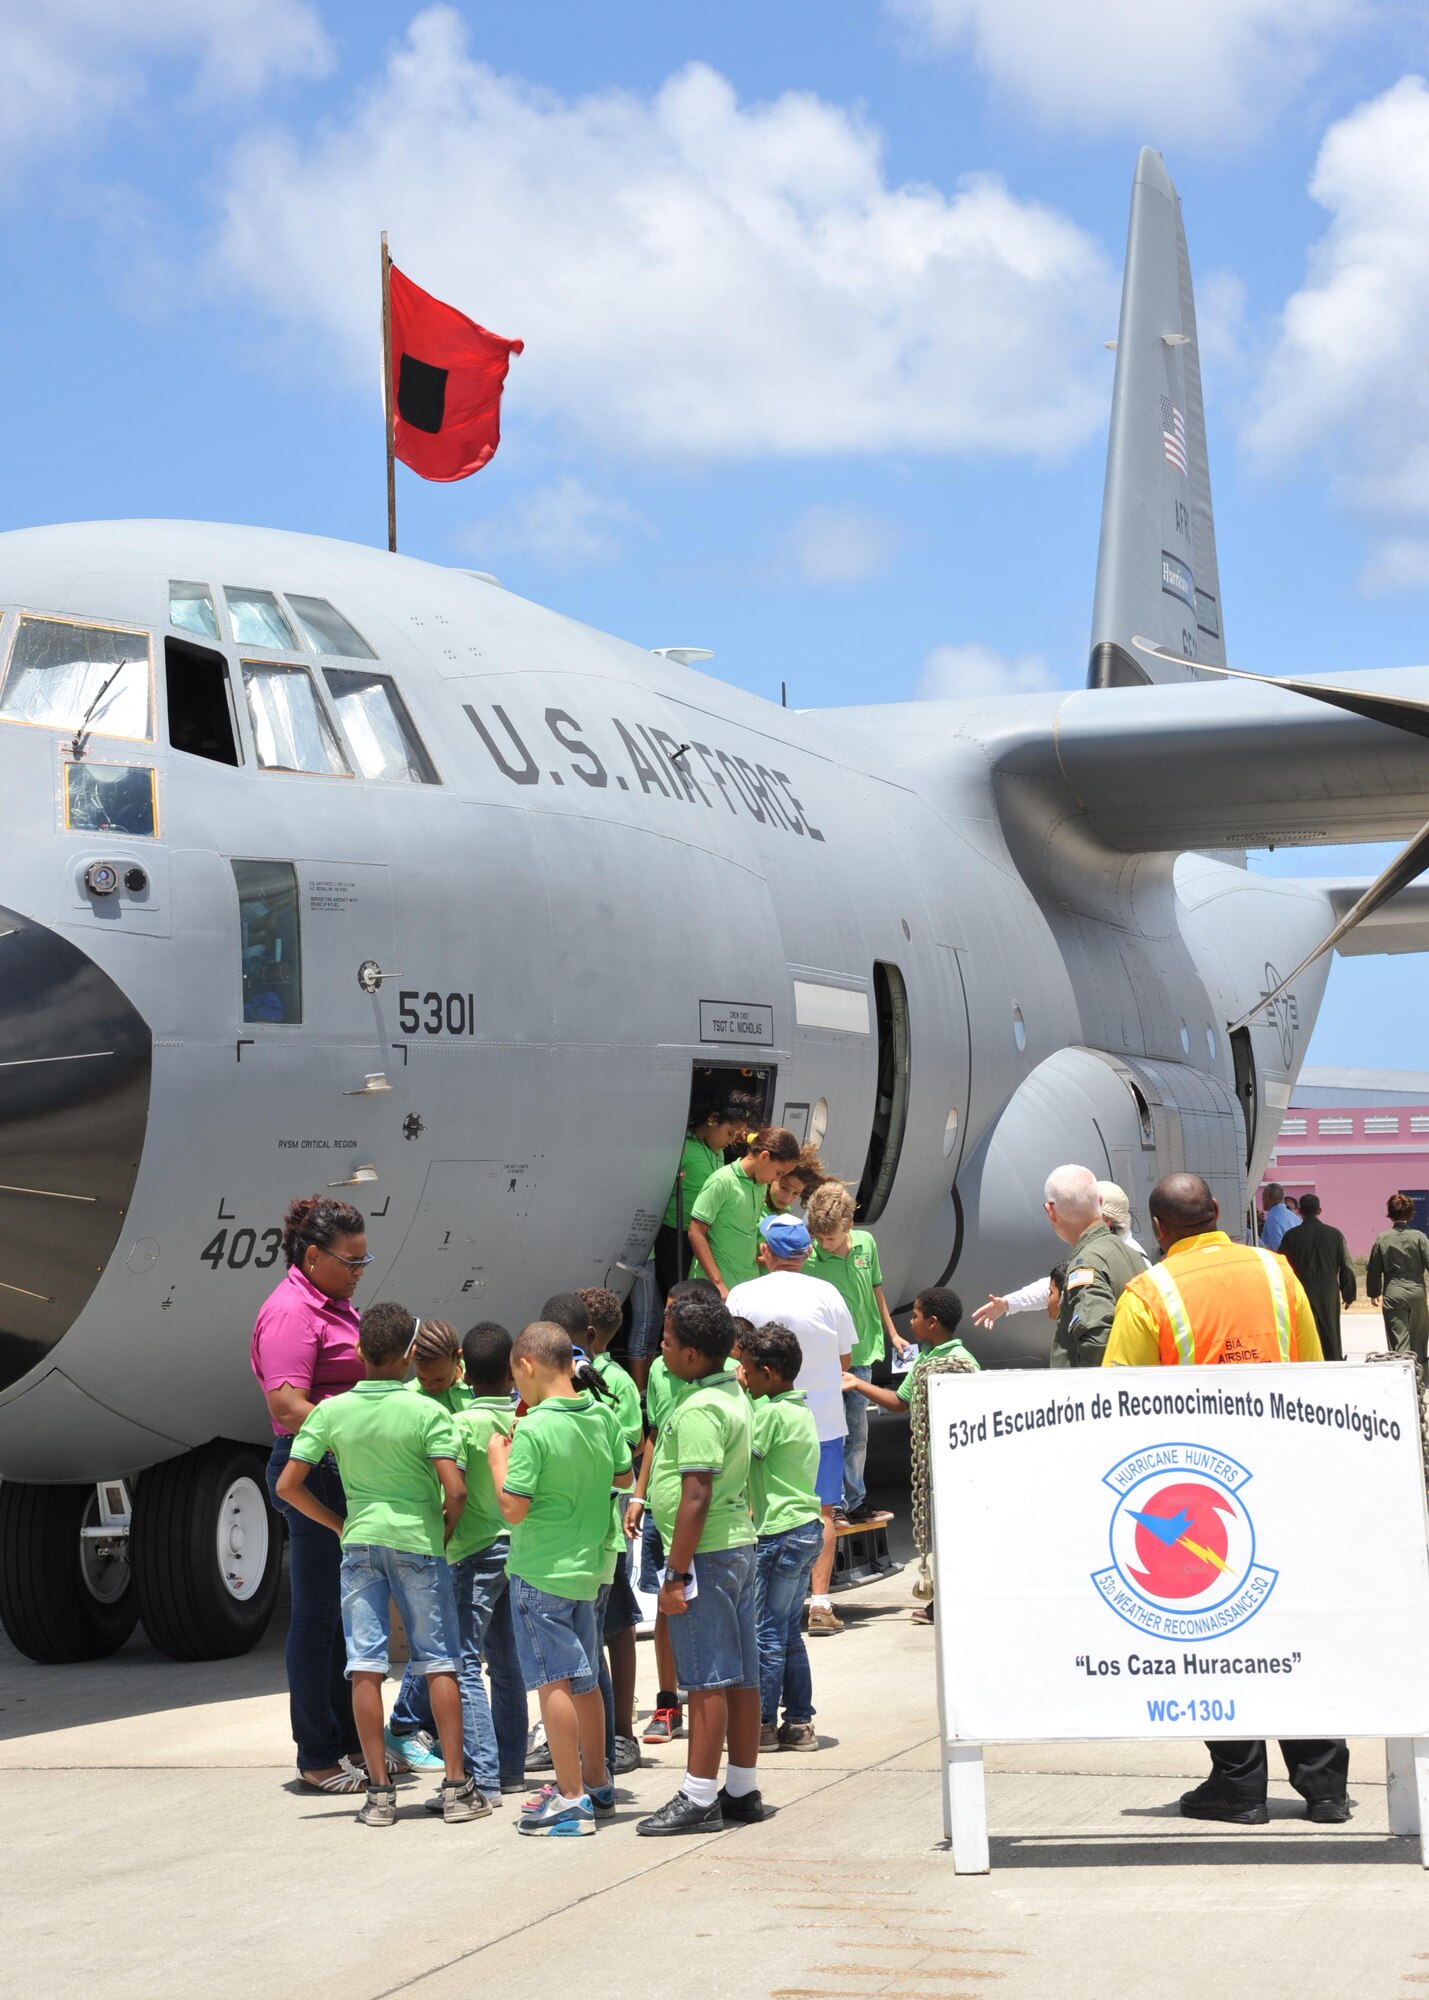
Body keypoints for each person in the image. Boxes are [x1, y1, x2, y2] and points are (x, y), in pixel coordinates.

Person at [1103, 1170, 1348, 1827]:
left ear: (1157, 1228)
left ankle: (1238, 1787)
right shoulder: (1276, 1273)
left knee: (1218, 1631)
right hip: (1281, 1479)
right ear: (1216, 1211)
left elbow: (1116, 1406)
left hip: (1201, 1493)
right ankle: (1324, 1786)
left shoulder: (1146, 1291)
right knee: (1293, 1625)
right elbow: (1313, 1376)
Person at [276, 1300, 484, 1827]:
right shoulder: (427, 1411)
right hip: (418, 1542)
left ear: (360, 1352)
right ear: (411, 1354)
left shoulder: (332, 1411)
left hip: (361, 1544)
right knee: (439, 1660)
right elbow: (455, 1488)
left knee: (364, 1665)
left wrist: (338, 1524)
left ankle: (379, 1795)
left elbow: (286, 1486)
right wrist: (444, 1528)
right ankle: (458, 1790)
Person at [488, 1321, 633, 1837]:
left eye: (515, 1376)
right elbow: (624, 1477)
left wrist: (497, 1458)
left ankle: (570, 1797)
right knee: (587, 1681)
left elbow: (512, 1509)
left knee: (552, 1682)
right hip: (593, 1570)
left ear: (526, 1366)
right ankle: (597, 1784)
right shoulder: (602, 1416)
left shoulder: (531, 1431)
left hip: (542, 1571)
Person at [249, 1194, 370, 1795]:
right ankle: (317, 1756)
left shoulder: (332, 1301)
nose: (358, 1272)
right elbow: (287, 1405)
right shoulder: (292, 1312)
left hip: (338, 1466)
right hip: (313, 1469)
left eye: (363, 1262)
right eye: (351, 1262)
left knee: (348, 1620)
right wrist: (364, 1431)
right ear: (315, 1255)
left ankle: (353, 1743)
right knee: (318, 1616)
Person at [637, 1288, 763, 1835]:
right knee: (740, 1676)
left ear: (689, 1355)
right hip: (735, 1547)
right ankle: (741, 1787)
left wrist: (676, 1572)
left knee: (707, 1679)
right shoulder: (734, 1395)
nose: (660, 1350)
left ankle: (698, 1796)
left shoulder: (697, 1410)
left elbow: (695, 1495)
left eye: (665, 1343)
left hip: (705, 1555)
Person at [390, 1321, 529, 1799]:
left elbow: (456, 1490)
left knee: (462, 1662)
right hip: (513, 1546)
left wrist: (443, 1537)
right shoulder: (517, 1414)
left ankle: (483, 1777)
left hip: (470, 1551)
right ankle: (510, 1770)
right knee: (507, 1664)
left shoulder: (461, 1422)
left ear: (462, 1367)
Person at [727, 1215, 854, 1637]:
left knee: (755, 1508)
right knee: (822, 1510)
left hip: (762, 1421)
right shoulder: (828, 1292)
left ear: (765, 1251)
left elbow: (731, 1356)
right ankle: (819, 1602)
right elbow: (845, 1363)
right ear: (805, 1252)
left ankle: (758, 1600)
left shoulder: (743, 1295)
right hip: (821, 1422)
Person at [626, 1278, 725, 1744]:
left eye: (670, 1322)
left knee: (706, 1611)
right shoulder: (664, 1373)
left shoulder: (719, 1384)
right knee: (667, 1606)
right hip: (664, 1517)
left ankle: (715, 1699)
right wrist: (640, 1494)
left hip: (705, 1523)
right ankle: (668, 1702)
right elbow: (655, 1436)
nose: (661, 1337)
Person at [842, 1287, 977, 1627]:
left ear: (932, 1322)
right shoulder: (925, 1359)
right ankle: (944, 1601)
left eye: (916, 1316)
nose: (911, 1322)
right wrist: (856, 1384)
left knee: (956, 1536)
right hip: (934, 1468)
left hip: (955, 1469)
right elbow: (900, 1402)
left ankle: (948, 1602)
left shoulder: (958, 1364)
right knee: (943, 1535)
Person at [733, 1319, 825, 1753]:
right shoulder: (800, 1408)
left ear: (768, 1373)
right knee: (788, 1631)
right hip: (806, 1530)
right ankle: (800, 1722)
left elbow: (741, 1451)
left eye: (747, 1370)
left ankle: (763, 1724)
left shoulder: (768, 1413)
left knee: (765, 1632)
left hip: (779, 1533)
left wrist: (735, 1395)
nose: (742, 1376)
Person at [803, 1182, 911, 1523]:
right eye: (818, 1237)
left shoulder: (866, 1243)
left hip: (861, 1353)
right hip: (825, 1359)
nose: (823, 1244)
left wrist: (892, 1333)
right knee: (828, 1432)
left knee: (857, 1431)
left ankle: (854, 1499)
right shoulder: (809, 1258)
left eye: (830, 1238)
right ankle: (830, 1502)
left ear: (848, 1226)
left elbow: (876, 1290)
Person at [578, 1285, 645, 1775]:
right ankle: (581, 1732)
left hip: (606, 1523)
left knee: (616, 1626)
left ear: (588, 1334)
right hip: (573, 1525)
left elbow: (632, 1441)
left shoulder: (614, 1381)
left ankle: (621, 1731)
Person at [972, 1181, 1146, 1334]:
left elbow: (1095, 1334)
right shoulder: (1122, 1256)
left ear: (1106, 1221)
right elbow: (1060, 1285)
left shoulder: (1104, 1258)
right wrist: (1009, 1303)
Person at [1044, 1163, 1144, 1367]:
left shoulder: (1085, 1266)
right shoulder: (1133, 1255)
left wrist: (1091, 1393)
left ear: (1051, 1212)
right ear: (1099, 1201)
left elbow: (1098, 1343)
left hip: (1098, 1394)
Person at [688, 1125, 801, 1296]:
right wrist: (717, 1283)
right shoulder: (722, 1181)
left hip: (745, 1287)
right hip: (714, 1291)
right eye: (778, 1172)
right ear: (764, 1156)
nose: (776, 1179)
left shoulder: (761, 1186)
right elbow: (695, 1232)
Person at [655, 1105, 744, 1301]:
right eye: (729, 1133)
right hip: (675, 1234)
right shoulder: (681, 1145)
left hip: (703, 1237)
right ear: (712, 1120)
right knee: (677, 1298)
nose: (730, 1141)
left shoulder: (718, 1152)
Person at [1280, 1193, 1356, 1362]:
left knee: (1305, 1333)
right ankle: (1333, 1363)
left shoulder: (1291, 1236)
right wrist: (1348, 1294)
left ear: (1299, 1211)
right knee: (1330, 1333)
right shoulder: (1334, 1234)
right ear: (1319, 1210)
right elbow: (1346, 1266)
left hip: (1301, 1291)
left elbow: (1282, 1266)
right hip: (1328, 1292)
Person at [1367, 1194, 1429, 1367]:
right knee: (1419, 1338)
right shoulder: (1419, 1237)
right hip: (1417, 1293)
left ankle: (1403, 1377)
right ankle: (1422, 1379)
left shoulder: (1382, 1238)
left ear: (1390, 1213)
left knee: (1398, 1340)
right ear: (1410, 1214)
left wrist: (1373, 1292)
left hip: (1393, 1292)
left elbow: (1374, 1269)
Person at [1259, 1181, 1298, 1251]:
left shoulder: (1273, 1218)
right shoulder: (1295, 1218)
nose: (1262, 1199)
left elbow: (1277, 1249)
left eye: (1263, 1195)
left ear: (1268, 1197)